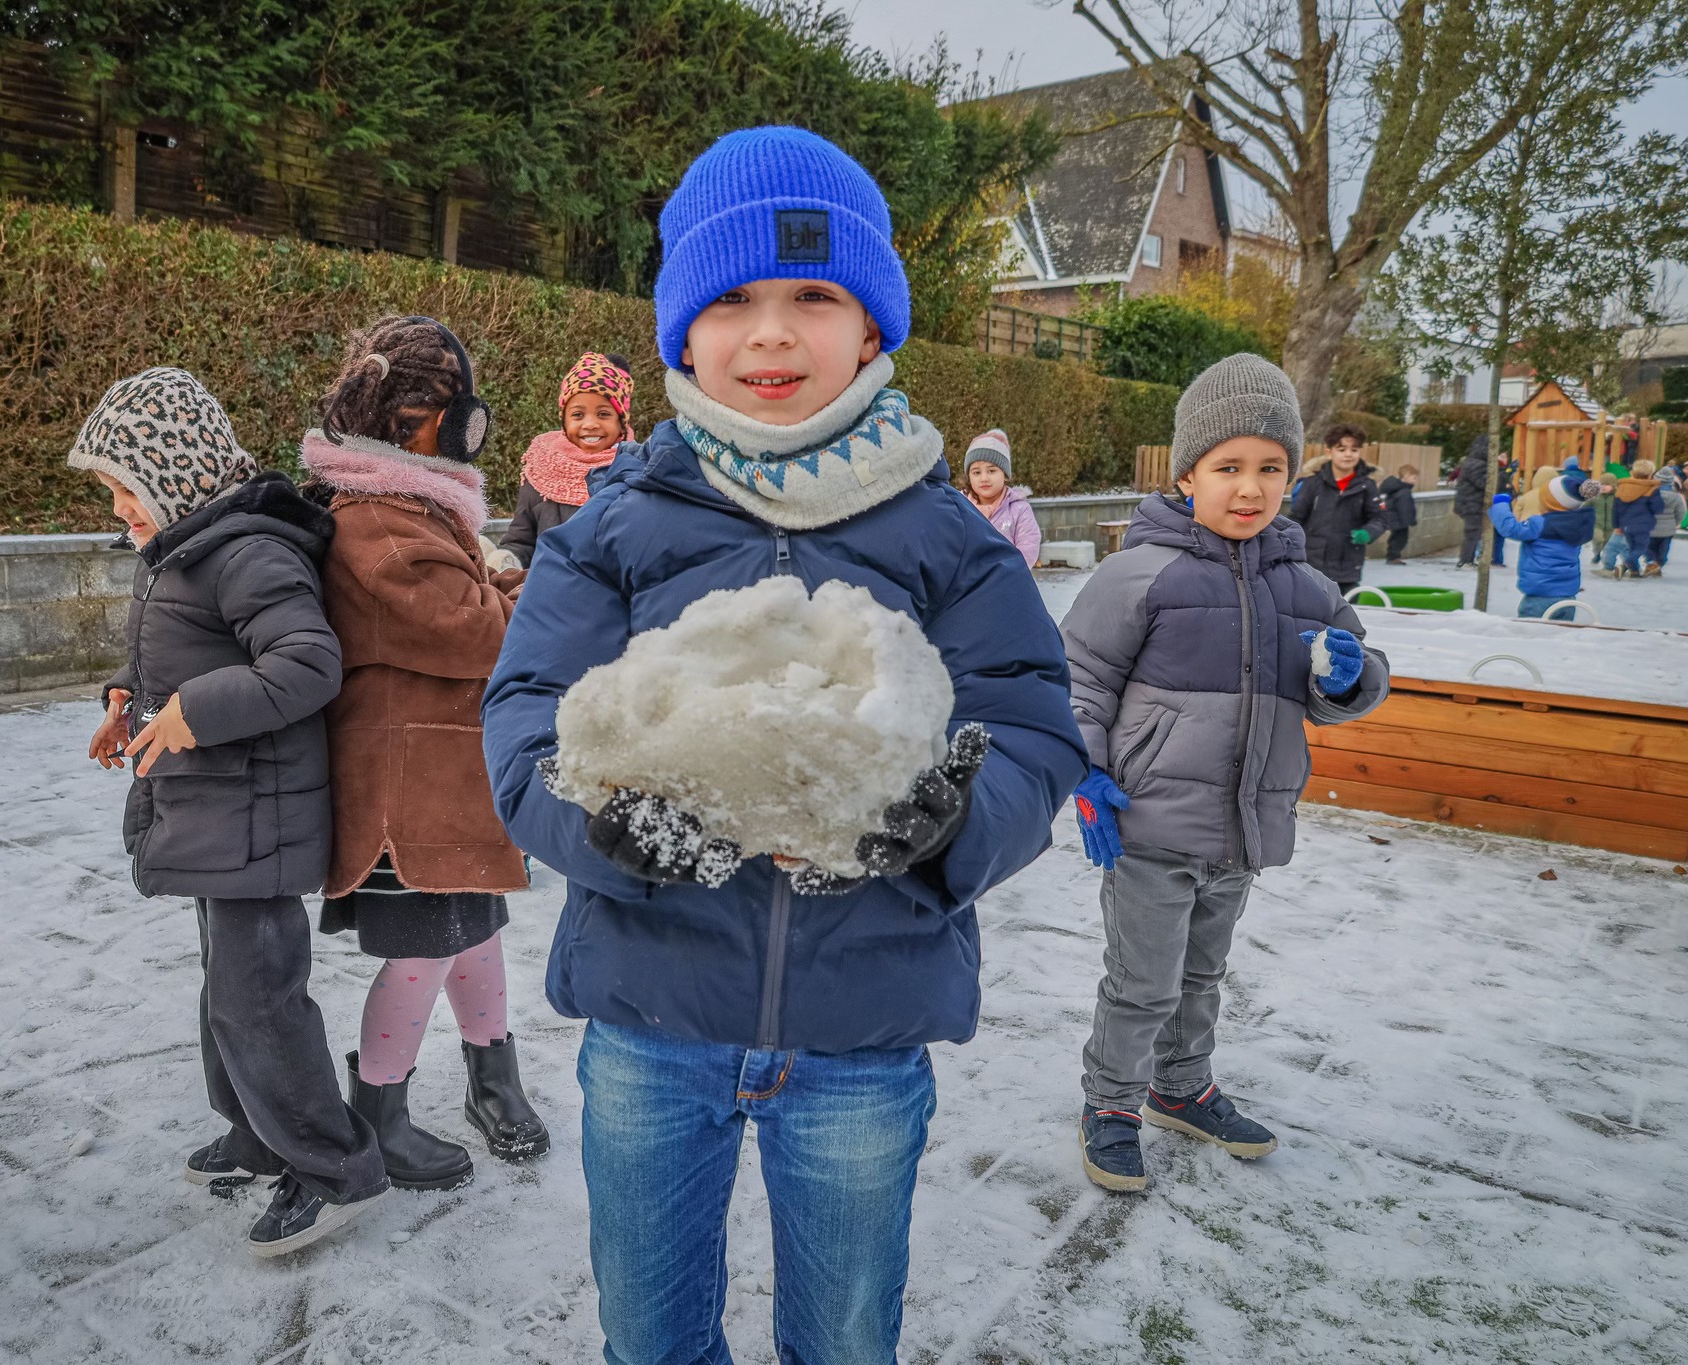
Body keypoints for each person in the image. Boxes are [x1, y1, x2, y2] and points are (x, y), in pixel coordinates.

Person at [481, 127, 1086, 1363]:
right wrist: (598, 823)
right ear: (681, 334)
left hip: (860, 1036)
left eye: (813, 296)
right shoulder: (612, 533)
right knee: (650, 1339)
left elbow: (1031, 722)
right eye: (732, 301)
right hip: (653, 1020)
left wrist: (957, 818)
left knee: (846, 1340)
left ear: (871, 331)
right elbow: (521, 726)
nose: (770, 334)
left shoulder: (946, 539)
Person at [73, 367, 386, 1258]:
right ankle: (257, 1131)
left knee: (260, 1002)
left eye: (124, 485)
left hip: (259, 816)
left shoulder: (250, 551)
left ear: (174, 471)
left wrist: (192, 713)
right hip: (215, 811)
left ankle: (335, 1167)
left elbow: (305, 664)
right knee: (227, 993)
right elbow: (174, 652)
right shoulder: (185, 547)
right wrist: (124, 698)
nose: (119, 505)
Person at [1058, 355, 1391, 1194]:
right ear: (1187, 474)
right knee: (1142, 980)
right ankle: (1112, 1104)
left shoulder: (1306, 587)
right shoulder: (1140, 572)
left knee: (1203, 973)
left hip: (1241, 827)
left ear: (1292, 473)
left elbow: (1344, 685)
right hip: (1149, 821)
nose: (1250, 488)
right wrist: (1085, 772)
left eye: (1270, 468)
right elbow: (1079, 679)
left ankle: (1182, 1085)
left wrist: (1350, 676)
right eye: (1228, 467)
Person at [300, 315, 548, 1194]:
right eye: (463, 412)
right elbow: (475, 631)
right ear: (425, 418)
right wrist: (543, 605)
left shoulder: (410, 508)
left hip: (449, 782)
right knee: (423, 952)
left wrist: (508, 580)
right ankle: (379, 1112)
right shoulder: (381, 522)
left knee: (471, 936)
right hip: (411, 796)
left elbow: (474, 585)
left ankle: (493, 1079)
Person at [494, 352, 635, 570]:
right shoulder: (542, 471)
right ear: (564, 420)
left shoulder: (637, 472)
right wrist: (508, 560)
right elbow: (521, 541)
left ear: (622, 423)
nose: (590, 424)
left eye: (604, 414)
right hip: (550, 591)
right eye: (578, 415)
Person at [1488, 465, 1604, 620]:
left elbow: (1511, 529)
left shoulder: (1540, 524)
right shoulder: (1578, 526)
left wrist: (1501, 505)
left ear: (1550, 503)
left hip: (1539, 596)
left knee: (1533, 637)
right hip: (1567, 597)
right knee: (1560, 635)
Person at [1289, 423, 1386, 594]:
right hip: (1313, 563)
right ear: (1329, 452)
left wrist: (1368, 532)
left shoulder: (1367, 486)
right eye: (1341, 449)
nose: (1348, 455)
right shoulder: (1313, 484)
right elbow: (1296, 518)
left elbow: (1379, 518)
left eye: (1354, 450)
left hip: (1347, 565)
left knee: (1344, 615)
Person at [960, 428, 1042, 565]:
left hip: (1007, 580)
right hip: (968, 582)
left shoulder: (1019, 509)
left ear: (1005, 474)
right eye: (976, 473)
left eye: (991, 471)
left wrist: (1008, 573)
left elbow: (1028, 546)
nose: (984, 478)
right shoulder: (960, 507)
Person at [1451, 433, 1508, 567]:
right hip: (1471, 503)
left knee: (1474, 533)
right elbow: (1486, 484)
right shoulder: (1477, 464)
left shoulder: (1473, 462)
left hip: (1470, 502)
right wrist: (1503, 471)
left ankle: (1468, 559)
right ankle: (1465, 560)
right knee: (1473, 533)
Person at [1609, 458, 1662, 578]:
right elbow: (1657, 508)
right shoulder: (1652, 489)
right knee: (1641, 548)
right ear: (1650, 475)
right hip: (1643, 525)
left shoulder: (1622, 487)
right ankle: (1626, 564)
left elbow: (1615, 509)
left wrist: (1616, 525)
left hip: (1625, 524)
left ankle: (1634, 571)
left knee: (1632, 546)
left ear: (1632, 472)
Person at [1376, 463, 1420, 565]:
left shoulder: (1397, 489)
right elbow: (1404, 508)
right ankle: (1393, 557)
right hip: (1399, 519)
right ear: (1406, 476)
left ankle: (1393, 556)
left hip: (1395, 518)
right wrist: (1410, 520)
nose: (1415, 481)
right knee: (1400, 539)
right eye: (1414, 478)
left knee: (1396, 537)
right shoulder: (1404, 491)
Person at [1647, 466, 1684, 575]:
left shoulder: (1649, 495)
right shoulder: (1676, 497)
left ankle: (1653, 563)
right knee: (1663, 548)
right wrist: (1675, 523)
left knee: (1649, 547)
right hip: (1668, 529)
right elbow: (1681, 512)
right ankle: (1659, 563)